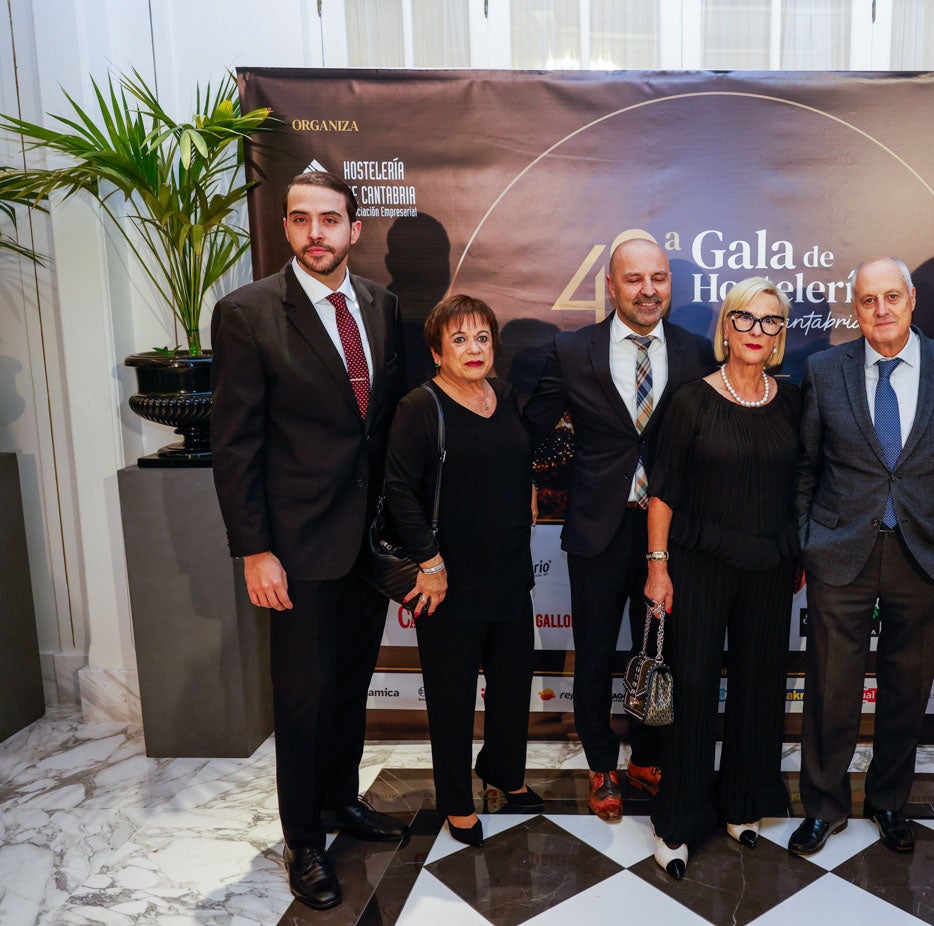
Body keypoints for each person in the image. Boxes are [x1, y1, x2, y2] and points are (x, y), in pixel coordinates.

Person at [211, 171, 408, 910]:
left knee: (350, 685)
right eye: (301, 220)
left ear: (355, 229)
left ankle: (339, 803)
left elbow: (382, 429)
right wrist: (255, 550)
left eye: (330, 220)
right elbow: (235, 446)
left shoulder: (382, 305)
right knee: (301, 698)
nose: (315, 233)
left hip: (369, 543)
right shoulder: (248, 313)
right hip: (295, 545)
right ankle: (304, 842)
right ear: (287, 230)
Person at [522, 235, 715, 820]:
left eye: (658, 278)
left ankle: (647, 757)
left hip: (670, 535)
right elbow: (533, 426)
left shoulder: (696, 352)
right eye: (634, 279)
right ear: (611, 286)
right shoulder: (572, 347)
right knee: (597, 651)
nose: (648, 290)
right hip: (596, 530)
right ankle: (601, 765)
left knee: (660, 653)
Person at [791, 256, 934, 857]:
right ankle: (823, 806)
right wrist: (806, 537)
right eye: (868, 300)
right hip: (839, 550)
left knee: (907, 686)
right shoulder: (824, 370)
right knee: (830, 686)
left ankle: (890, 801)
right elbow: (806, 467)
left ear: (912, 300)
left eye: (891, 297)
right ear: (856, 308)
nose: (881, 310)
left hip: (924, 552)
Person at [643, 278, 801, 879]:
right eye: (746, 318)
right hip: (699, 567)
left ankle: (743, 802)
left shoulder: (793, 402)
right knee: (693, 691)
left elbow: (800, 486)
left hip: (769, 568)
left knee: (760, 687)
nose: (757, 331)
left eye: (770, 321)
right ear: (726, 327)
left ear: (781, 335)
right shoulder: (690, 401)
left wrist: (793, 554)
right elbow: (663, 493)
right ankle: (677, 823)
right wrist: (657, 567)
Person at [383, 295, 542, 848]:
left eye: (482, 338)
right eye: (458, 339)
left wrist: (527, 495)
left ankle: (502, 771)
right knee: (452, 698)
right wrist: (428, 563)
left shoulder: (502, 394)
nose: (473, 349)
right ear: (435, 351)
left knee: (511, 688)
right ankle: (456, 799)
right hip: (447, 582)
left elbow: (514, 459)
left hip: (509, 573)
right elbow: (400, 493)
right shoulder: (419, 408)